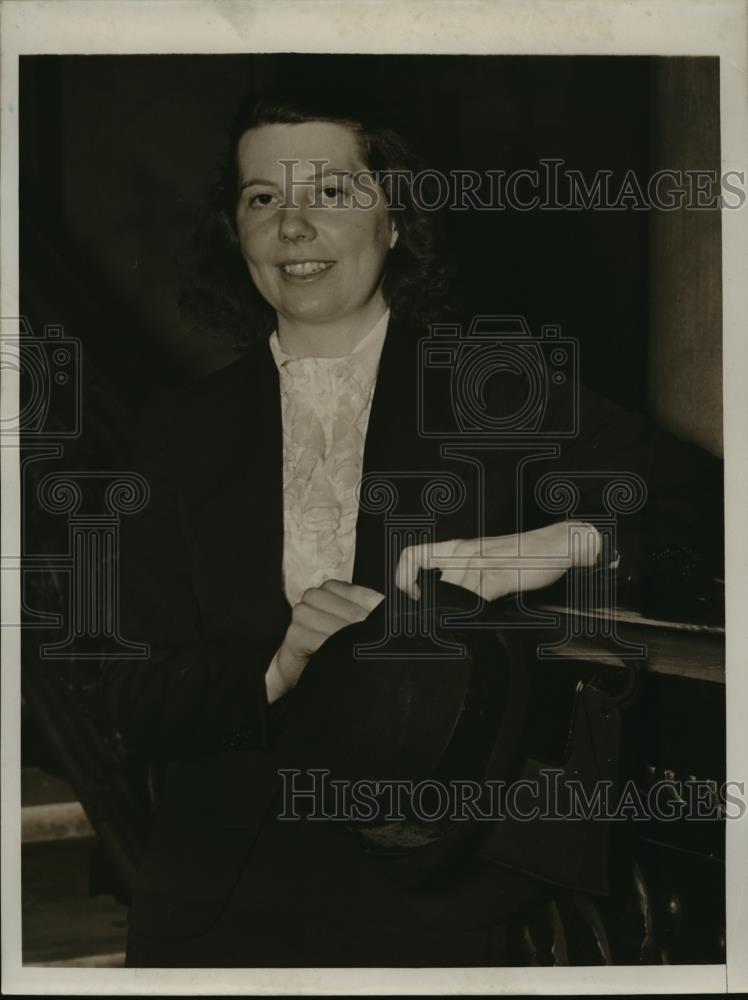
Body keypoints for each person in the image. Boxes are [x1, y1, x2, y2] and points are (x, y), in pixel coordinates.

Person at [103, 96, 723, 967]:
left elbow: (699, 504)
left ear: (396, 219)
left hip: (445, 900)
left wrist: (545, 550)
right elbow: (128, 697)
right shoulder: (177, 430)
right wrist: (274, 669)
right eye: (260, 200)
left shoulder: (495, 388)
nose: (293, 226)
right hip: (218, 906)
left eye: (330, 191)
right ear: (234, 234)